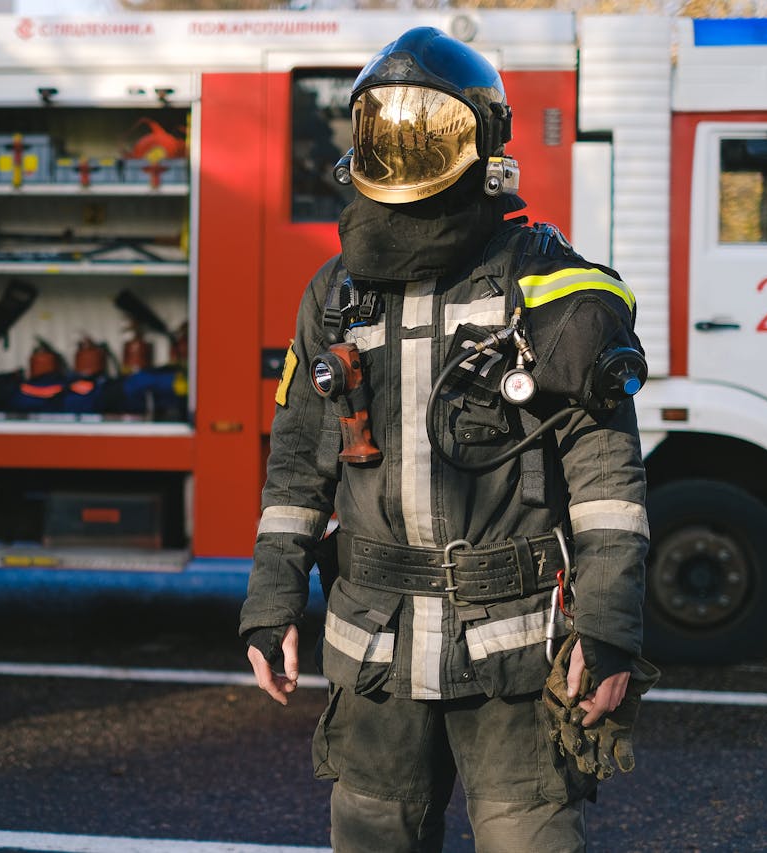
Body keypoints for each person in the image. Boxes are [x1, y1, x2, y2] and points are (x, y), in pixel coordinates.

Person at [240, 26, 655, 852]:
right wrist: (271, 600)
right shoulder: (334, 297)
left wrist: (608, 627)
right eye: (384, 130)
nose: (401, 148)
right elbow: (297, 466)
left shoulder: (551, 291)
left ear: (484, 141)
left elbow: (608, 479)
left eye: (424, 130)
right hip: (376, 647)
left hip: (514, 648)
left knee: (530, 838)